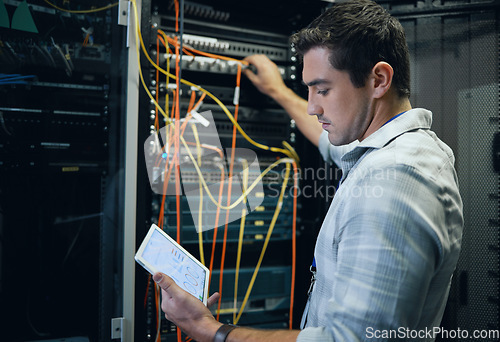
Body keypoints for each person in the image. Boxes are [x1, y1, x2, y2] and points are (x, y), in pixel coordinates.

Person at [152, 0, 464, 341]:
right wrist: (278, 91)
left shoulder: (395, 181)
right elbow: (327, 138)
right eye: (309, 89)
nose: (314, 106)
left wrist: (209, 329)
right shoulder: (388, 148)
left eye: (323, 89)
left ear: (378, 80)